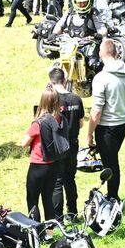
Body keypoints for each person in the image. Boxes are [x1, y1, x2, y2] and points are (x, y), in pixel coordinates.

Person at [87, 38, 125, 200]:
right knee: (111, 159)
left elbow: (96, 111)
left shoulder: (101, 78)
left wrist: (89, 134)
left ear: (101, 54)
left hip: (106, 127)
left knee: (111, 164)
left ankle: (113, 197)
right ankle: (111, 194)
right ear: (116, 53)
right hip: (124, 122)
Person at [47, 67, 84, 216]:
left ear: (51, 82)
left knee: (57, 182)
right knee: (70, 178)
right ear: (64, 80)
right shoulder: (76, 99)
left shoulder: (51, 100)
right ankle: (72, 213)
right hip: (73, 144)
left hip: (57, 145)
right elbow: (81, 124)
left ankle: (58, 217)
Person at [22, 88, 63, 220]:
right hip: (54, 164)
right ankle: (50, 230)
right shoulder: (60, 119)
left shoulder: (39, 123)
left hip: (38, 165)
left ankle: (36, 229)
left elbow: (24, 143)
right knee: (48, 199)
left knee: (32, 200)